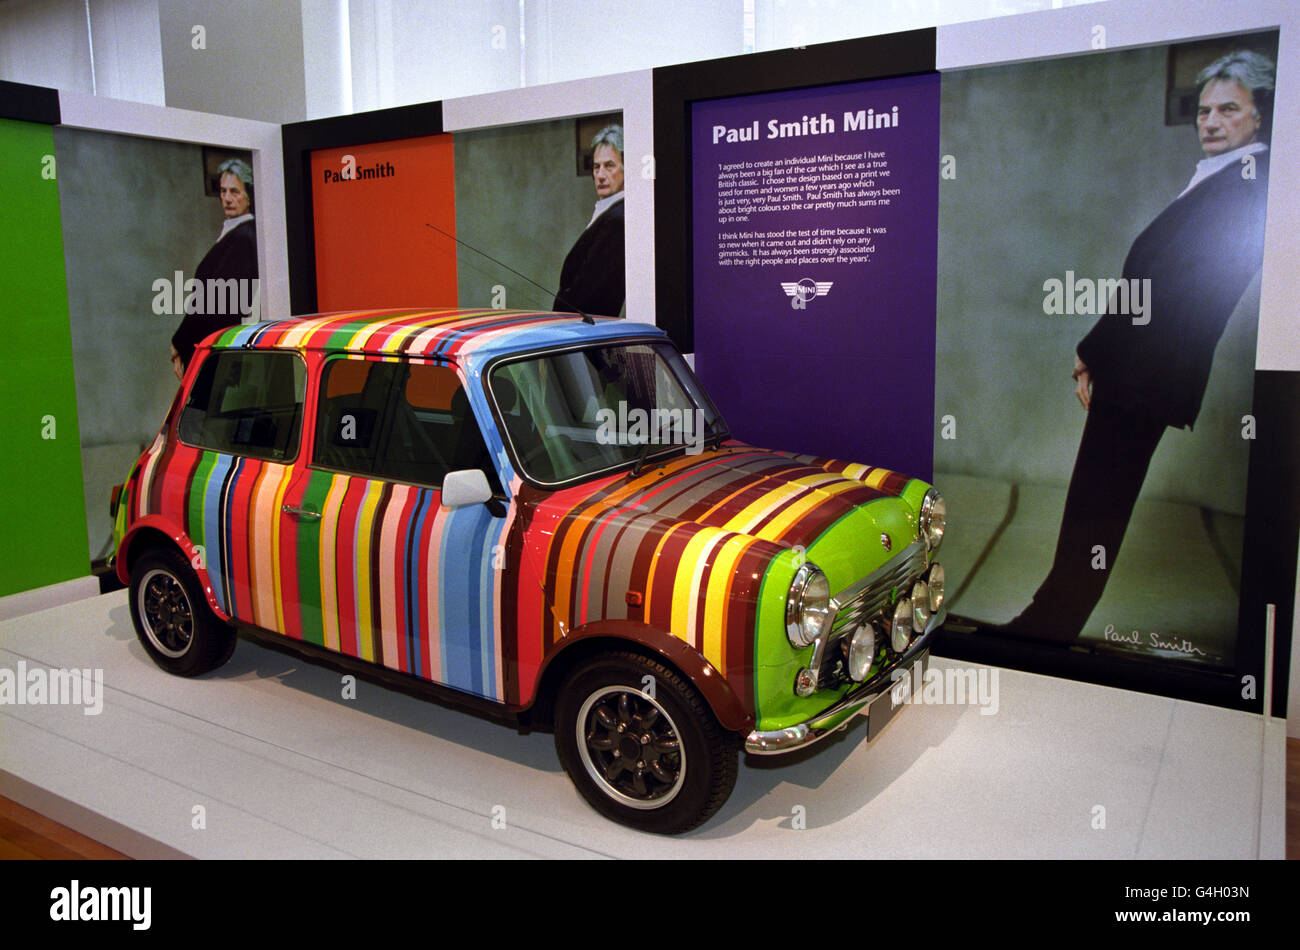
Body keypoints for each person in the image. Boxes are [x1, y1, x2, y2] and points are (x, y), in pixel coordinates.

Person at [1003, 50, 1274, 643]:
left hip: (1149, 370)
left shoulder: (1248, 186)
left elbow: (1174, 287)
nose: (1211, 121)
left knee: (1098, 506)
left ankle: (1046, 628)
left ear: (1259, 116)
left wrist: (1094, 349)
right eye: (1204, 110)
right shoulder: (1227, 178)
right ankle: (1047, 620)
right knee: (1095, 502)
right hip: (1141, 365)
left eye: (1229, 109)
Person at [170, 157, 259, 379]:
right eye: (223, 191)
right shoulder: (237, 233)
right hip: (214, 347)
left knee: (200, 410)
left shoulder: (244, 237)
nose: (227, 198)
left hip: (216, 350)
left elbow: (217, 300)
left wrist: (179, 341)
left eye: (235, 192)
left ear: (248, 195)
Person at [553, 124, 625, 317]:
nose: (600, 175)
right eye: (596, 167)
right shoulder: (610, 210)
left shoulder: (618, 218)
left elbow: (590, 293)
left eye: (609, 165)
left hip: (585, 331)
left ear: (626, 168)